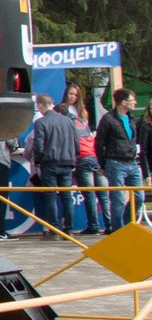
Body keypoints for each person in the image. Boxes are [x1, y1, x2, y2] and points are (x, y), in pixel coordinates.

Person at [25, 93, 80, 236]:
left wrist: (38, 161)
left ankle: (54, 229)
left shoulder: (41, 123)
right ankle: (70, 229)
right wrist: (73, 157)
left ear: (41, 106)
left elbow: (38, 145)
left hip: (49, 163)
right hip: (67, 162)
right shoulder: (68, 121)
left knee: (50, 196)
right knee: (66, 196)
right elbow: (76, 143)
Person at [97, 89, 143, 232]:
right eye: (132, 100)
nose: (135, 102)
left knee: (139, 197)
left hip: (132, 162)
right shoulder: (108, 119)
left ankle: (128, 225)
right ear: (123, 103)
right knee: (118, 200)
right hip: (115, 163)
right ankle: (118, 231)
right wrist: (102, 164)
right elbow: (99, 143)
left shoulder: (132, 119)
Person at [64, 86, 108, 234]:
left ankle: (97, 225)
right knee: (98, 193)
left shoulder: (81, 113)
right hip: (88, 155)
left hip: (86, 155)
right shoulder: (66, 112)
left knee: (94, 193)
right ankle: (103, 225)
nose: (72, 97)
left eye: (75, 95)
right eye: (70, 94)